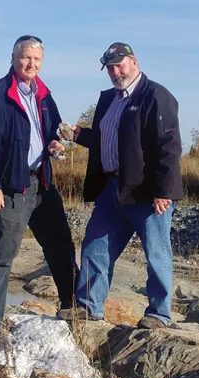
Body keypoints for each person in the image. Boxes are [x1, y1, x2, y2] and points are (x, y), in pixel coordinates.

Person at [58, 42, 182, 329]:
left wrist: (164, 190)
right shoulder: (109, 100)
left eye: (120, 64)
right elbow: (106, 141)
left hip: (147, 193)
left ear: (134, 62)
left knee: (156, 252)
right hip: (112, 189)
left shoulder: (156, 96)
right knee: (95, 245)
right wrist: (78, 134)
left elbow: (169, 147)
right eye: (110, 67)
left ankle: (159, 314)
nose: (115, 71)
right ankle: (89, 307)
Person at [0, 35, 78, 351]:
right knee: (1, 256)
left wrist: (58, 143)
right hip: (12, 188)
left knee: (60, 247)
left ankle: (71, 306)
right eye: (25, 58)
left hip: (43, 183)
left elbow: (54, 132)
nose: (31, 64)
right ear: (14, 58)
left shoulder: (44, 95)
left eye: (36, 60)